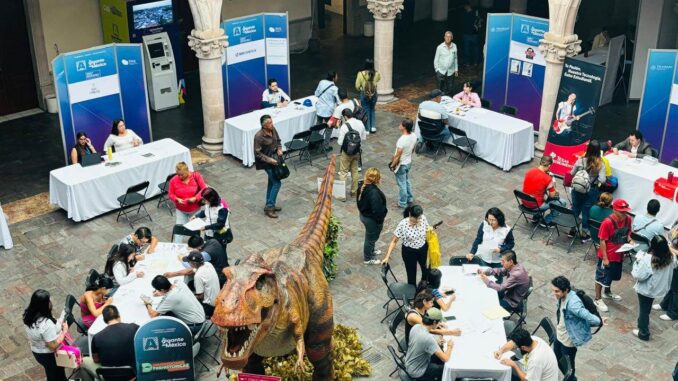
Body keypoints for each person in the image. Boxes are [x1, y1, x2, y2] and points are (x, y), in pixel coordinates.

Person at [551, 276, 603, 381]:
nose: (554, 294)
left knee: (569, 370)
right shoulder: (563, 296)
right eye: (553, 291)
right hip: (560, 335)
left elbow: (596, 320)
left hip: (568, 341)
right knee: (557, 360)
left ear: (566, 290)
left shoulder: (574, 305)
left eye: (557, 291)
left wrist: (583, 325)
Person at [632, 235, 677, 341]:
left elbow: (639, 275)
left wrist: (637, 261)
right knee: (646, 308)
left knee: (644, 310)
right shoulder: (671, 257)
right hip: (659, 288)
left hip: (646, 289)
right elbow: (674, 265)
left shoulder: (647, 259)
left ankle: (643, 332)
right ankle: (642, 328)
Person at [594, 199, 633, 312]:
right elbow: (602, 241)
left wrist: (630, 241)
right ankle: (597, 298)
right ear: (614, 210)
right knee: (601, 276)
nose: (623, 214)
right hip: (607, 255)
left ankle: (607, 292)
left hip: (619, 254)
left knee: (611, 275)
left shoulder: (628, 219)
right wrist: (605, 258)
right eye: (621, 211)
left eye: (625, 211)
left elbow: (629, 232)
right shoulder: (607, 222)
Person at [23, 289, 69, 381]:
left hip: (37, 351)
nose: (50, 302)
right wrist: (64, 331)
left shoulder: (28, 314)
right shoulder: (46, 324)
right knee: (55, 375)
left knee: (55, 373)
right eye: (48, 301)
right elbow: (53, 345)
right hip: (49, 355)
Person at [81, 306, 139, 378]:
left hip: (109, 377)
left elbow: (96, 360)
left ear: (104, 320)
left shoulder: (96, 337)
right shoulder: (134, 328)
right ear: (119, 316)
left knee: (83, 360)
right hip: (133, 375)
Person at [383, 205, 429, 286]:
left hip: (423, 248)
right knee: (411, 274)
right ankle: (413, 293)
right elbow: (394, 241)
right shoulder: (403, 224)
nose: (419, 220)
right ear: (410, 215)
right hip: (409, 252)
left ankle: (423, 286)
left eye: (419, 218)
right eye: (416, 219)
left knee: (425, 269)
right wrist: (387, 256)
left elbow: (427, 230)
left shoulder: (423, 218)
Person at [569, 140, 606, 242]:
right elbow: (603, 180)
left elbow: (572, 173)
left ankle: (572, 230)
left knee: (575, 208)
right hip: (591, 190)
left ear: (588, 149)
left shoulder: (580, 160)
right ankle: (584, 233)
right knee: (586, 211)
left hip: (577, 189)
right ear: (599, 151)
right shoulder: (600, 164)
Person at [404, 307, 454, 381]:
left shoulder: (416, 327)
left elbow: (422, 342)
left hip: (409, 363)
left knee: (438, 357)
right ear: (434, 323)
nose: (439, 324)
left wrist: (436, 342)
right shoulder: (428, 339)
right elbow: (445, 358)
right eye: (439, 322)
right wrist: (449, 346)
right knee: (447, 369)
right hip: (418, 372)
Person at [494, 328, 559, 381]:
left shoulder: (536, 360)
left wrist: (514, 365)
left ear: (523, 347)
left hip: (535, 377)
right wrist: (501, 350)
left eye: (517, 347)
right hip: (533, 371)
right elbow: (512, 343)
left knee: (503, 373)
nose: (515, 348)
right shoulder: (533, 339)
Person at [254, 114, 284, 218]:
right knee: (277, 183)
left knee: (271, 182)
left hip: (276, 159)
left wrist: (279, 149)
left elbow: (278, 140)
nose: (272, 124)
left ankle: (269, 203)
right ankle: (270, 207)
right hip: (266, 163)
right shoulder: (258, 136)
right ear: (264, 125)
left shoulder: (273, 129)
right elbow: (257, 153)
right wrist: (269, 160)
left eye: (271, 122)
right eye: (270, 123)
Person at [521, 155, 566, 225]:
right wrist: (552, 184)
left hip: (524, 202)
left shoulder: (530, 171)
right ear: (549, 166)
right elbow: (552, 195)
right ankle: (546, 222)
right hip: (535, 206)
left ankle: (536, 217)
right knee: (562, 202)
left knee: (539, 194)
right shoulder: (547, 178)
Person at [356, 168, 388, 265]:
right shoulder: (373, 193)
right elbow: (377, 210)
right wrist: (380, 221)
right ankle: (368, 258)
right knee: (370, 238)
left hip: (364, 215)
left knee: (371, 237)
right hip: (371, 220)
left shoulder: (362, 185)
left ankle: (371, 251)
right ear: (376, 179)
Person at [168, 162, 206, 240]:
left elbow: (204, 189)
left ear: (187, 171)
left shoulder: (196, 176)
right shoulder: (173, 180)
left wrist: (196, 198)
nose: (180, 177)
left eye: (182, 175)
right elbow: (170, 194)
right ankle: (177, 248)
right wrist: (176, 199)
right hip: (181, 210)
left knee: (196, 230)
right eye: (178, 174)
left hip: (195, 210)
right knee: (179, 231)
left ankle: (197, 247)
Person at [337, 108, 367, 197]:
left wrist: (339, 127)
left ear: (345, 117)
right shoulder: (360, 123)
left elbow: (340, 142)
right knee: (355, 171)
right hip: (356, 151)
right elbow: (363, 138)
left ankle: (342, 195)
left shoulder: (344, 126)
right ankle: (354, 192)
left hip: (346, 153)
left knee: (343, 172)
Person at [390, 118, 418, 208]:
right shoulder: (414, 135)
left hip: (401, 164)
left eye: (401, 124)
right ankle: (410, 198)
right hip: (408, 161)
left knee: (402, 183)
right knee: (406, 180)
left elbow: (398, 155)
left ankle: (402, 202)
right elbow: (413, 148)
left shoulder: (402, 140)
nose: (399, 125)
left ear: (404, 127)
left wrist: (392, 165)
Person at [184, 252, 220, 316]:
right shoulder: (208, 264)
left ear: (194, 264)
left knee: (185, 304)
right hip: (217, 298)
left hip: (209, 306)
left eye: (189, 262)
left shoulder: (198, 276)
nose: (188, 263)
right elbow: (194, 271)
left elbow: (200, 296)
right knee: (191, 284)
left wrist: (189, 298)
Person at [656, 224, 678, 321]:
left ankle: (673, 313)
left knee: (676, 290)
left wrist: (669, 248)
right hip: (675, 261)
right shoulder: (676, 223)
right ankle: (664, 305)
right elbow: (670, 234)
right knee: (672, 286)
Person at [355, 59, 381, 132]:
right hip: (374, 93)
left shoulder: (360, 74)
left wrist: (361, 89)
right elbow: (378, 79)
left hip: (364, 93)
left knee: (366, 110)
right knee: (372, 109)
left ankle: (367, 129)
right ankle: (373, 127)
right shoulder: (377, 73)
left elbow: (357, 86)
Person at [434, 31, 458, 95]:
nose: (448, 38)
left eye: (449, 37)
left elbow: (455, 58)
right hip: (441, 71)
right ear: (444, 37)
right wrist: (437, 70)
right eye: (446, 36)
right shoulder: (440, 47)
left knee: (450, 89)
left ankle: (448, 101)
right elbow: (436, 59)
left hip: (451, 71)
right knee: (440, 89)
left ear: (452, 38)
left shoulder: (454, 46)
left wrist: (456, 69)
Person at [461, 2, 481, 66]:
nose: (465, 8)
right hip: (474, 33)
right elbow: (479, 23)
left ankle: (467, 62)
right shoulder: (475, 14)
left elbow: (462, 24)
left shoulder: (465, 14)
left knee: (467, 49)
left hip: (467, 34)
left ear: (467, 6)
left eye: (465, 6)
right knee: (475, 49)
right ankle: (475, 62)